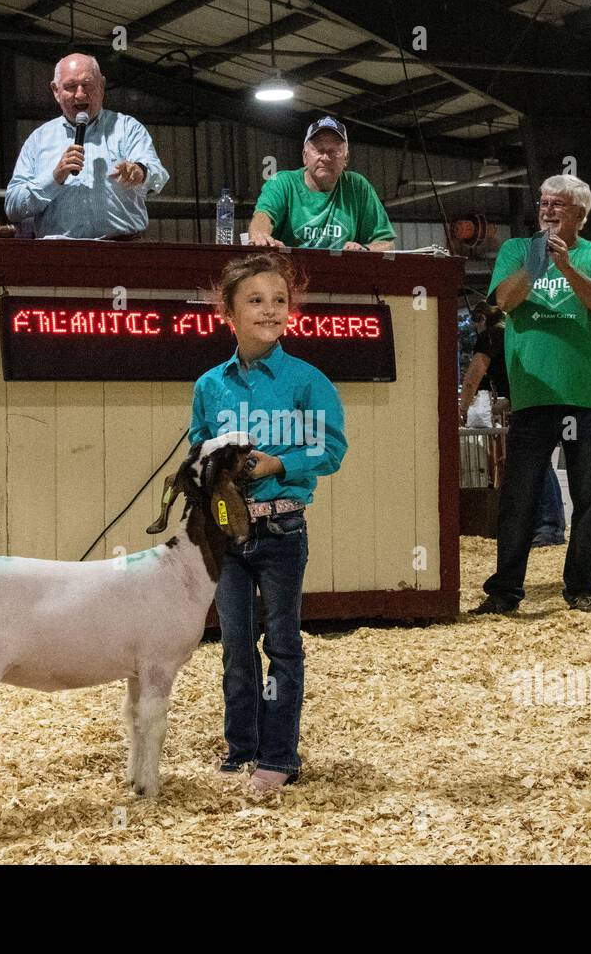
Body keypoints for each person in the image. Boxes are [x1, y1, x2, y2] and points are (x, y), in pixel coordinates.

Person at [190, 253, 347, 792]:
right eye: (255, 300)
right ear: (228, 313)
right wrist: (214, 472)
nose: (270, 310)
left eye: (279, 300)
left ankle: (280, 755)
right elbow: (197, 444)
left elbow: (331, 449)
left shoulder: (308, 381)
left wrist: (280, 464)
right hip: (228, 535)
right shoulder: (210, 385)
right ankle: (241, 750)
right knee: (235, 644)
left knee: (282, 644)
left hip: (282, 531)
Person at [470, 175, 591, 614]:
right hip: (533, 395)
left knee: (588, 497)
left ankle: (580, 588)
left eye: (559, 204)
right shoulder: (518, 251)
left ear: (581, 214)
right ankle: (505, 591)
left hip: (584, 397)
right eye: (544, 202)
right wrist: (538, 264)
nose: (548, 210)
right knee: (519, 494)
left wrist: (569, 267)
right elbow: (503, 302)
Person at [5, 53, 169, 239]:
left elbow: (158, 173)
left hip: (123, 252)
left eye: (88, 85)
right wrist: (54, 178)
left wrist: (141, 172)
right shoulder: (38, 140)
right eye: (71, 87)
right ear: (55, 91)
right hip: (59, 257)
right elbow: (13, 207)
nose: (80, 94)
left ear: (101, 85)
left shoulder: (127, 128)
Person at [460, 301, 565, 546]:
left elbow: (473, 376)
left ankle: (550, 527)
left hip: (533, 406)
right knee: (537, 463)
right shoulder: (514, 332)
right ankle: (547, 524)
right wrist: (504, 405)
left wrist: (463, 407)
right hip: (544, 399)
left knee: (536, 463)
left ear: (481, 320)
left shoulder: (490, 335)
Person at [247, 117, 395, 251]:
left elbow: (387, 243)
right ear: (305, 156)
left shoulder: (358, 187)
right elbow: (263, 216)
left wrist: (365, 249)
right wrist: (261, 235)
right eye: (318, 149)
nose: (325, 157)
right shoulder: (282, 182)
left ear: (346, 159)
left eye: (334, 151)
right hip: (288, 273)